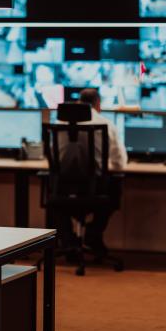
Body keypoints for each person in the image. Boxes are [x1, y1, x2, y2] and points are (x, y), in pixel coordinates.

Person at [62, 88, 128, 257]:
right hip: (95, 190)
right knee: (116, 186)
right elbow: (119, 164)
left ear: (78, 102)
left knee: (53, 193)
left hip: (63, 191)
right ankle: (93, 234)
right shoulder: (106, 124)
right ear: (98, 104)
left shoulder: (60, 123)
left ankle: (69, 241)